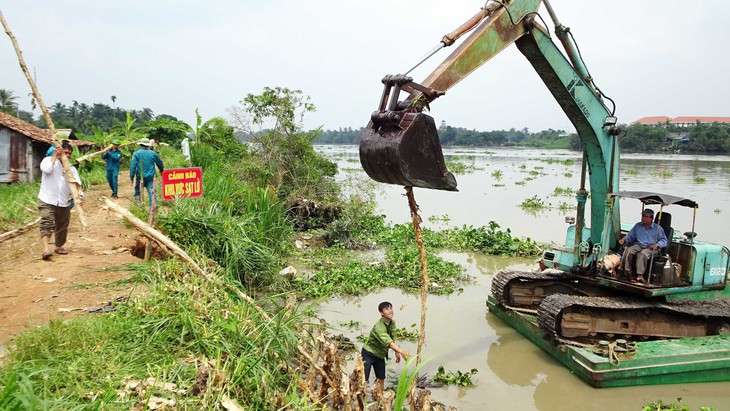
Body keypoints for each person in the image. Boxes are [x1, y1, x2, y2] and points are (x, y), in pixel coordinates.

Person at [38, 141, 83, 260]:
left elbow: (77, 184)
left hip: (63, 201)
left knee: (62, 225)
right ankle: (46, 249)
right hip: (47, 198)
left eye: (69, 153)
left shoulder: (72, 169)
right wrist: (55, 156)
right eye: (65, 152)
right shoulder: (48, 160)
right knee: (47, 222)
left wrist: (79, 197)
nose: (67, 155)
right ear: (59, 151)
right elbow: (46, 169)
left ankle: (58, 246)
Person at [361, 301, 409, 394]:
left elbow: (392, 337)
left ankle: (380, 399)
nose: (390, 311)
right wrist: (402, 351)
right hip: (369, 353)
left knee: (381, 378)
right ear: (381, 313)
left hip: (380, 355)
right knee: (363, 379)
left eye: (391, 308)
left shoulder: (392, 323)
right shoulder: (379, 327)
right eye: (387, 309)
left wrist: (396, 352)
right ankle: (361, 400)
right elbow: (388, 342)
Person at [619, 208, 668, 283]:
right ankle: (627, 271)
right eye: (643, 216)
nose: (643, 218)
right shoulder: (638, 226)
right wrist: (624, 239)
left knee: (642, 254)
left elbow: (664, 240)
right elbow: (630, 236)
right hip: (639, 245)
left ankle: (640, 276)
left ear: (651, 218)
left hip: (651, 248)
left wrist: (657, 244)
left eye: (646, 217)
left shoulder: (658, 228)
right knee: (629, 250)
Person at [130, 137, 164, 207]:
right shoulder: (153, 153)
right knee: (152, 192)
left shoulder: (136, 154)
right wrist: (161, 170)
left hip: (140, 177)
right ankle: (153, 207)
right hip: (151, 177)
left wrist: (131, 177)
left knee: (138, 191)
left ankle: (138, 206)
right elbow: (160, 163)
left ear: (140, 144)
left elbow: (133, 167)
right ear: (148, 145)